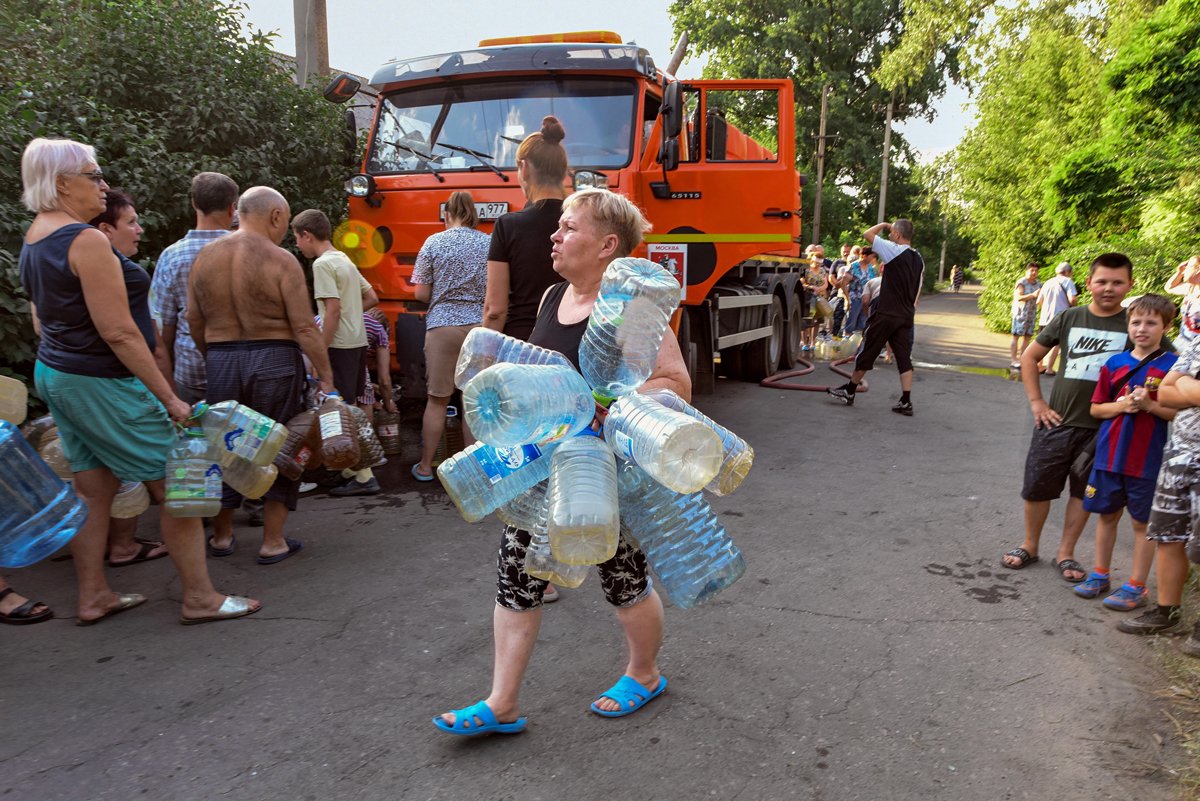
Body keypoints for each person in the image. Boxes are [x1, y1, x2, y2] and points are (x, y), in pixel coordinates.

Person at [433, 188, 690, 736]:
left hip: (603, 472)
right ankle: (502, 702)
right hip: (539, 466)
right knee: (516, 576)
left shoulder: (631, 307)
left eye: (570, 227)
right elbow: (539, 372)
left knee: (623, 581)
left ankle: (643, 673)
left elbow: (676, 384)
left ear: (607, 245)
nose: (555, 234)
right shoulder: (553, 296)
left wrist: (609, 405)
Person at [18, 137, 257, 624]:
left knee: (93, 489)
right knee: (180, 485)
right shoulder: (84, 240)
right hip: (99, 379)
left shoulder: (35, 236)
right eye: (93, 175)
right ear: (62, 183)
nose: (103, 186)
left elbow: (42, 319)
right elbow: (121, 331)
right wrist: (168, 397)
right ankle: (200, 599)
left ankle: (94, 596)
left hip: (58, 373)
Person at [188, 187, 336, 564]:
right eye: (285, 222)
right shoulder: (281, 259)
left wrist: (215, 356)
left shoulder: (205, 257)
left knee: (224, 446)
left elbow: (193, 319)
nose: (285, 230)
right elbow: (304, 328)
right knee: (282, 447)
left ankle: (222, 537)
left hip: (222, 356)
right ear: (274, 216)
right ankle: (273, 541)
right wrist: (325, 374)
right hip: (274, 357)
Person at [1001, 252, 1135, 582]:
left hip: (1103, 429)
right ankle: (1029, 545)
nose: (1108, 288)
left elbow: (1171, 363)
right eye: (1102, 281)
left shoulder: (1134, 324)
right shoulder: (1070, 317)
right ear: (1087, 283)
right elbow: (1031, 358)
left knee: (1081, 492)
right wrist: (1037, 402)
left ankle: (1066, 553)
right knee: (1037, 488)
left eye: (1117, 283)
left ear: (1129, 286)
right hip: (1055, 422)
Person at [1073, 295, 1177, 610]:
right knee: (1106, 515)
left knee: (1142, 524)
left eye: (1151, 322)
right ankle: (1100, 574)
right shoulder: (1114, 364)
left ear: (1165, 326)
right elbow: (1096, 409)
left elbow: (1176, 414)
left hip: (1146, 459)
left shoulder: (1173, 366)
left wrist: (1149, 406)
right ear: (1127, 325)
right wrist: (1123, 406)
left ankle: (1136, 586)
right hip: (1109, 456)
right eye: (1136, 322)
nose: (1142, 329)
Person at [87, 188, 170, 568]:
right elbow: (130, 336)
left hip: (78, 378)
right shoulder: (117, 269)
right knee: (171, 480)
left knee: (97, 481)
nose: (139, 230)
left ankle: (100, 579)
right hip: (121, 381)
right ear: (105, 228)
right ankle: (199, 592)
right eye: (131, 222)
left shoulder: (58, 256)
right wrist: (168, 395)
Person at [1117, 335, 1200, 656]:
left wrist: (1186, 389)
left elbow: (1176, 389)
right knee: (1168, 534)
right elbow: (1164, 391)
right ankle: (1168, 613)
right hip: (1179, 452)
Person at [292, 208, 380, 496]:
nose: (297, 245)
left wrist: (320, 351)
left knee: (336, 412)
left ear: (307, 235)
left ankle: (364, 477)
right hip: (356, 343)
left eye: (297, 238)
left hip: (338, 345)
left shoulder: (322, 265)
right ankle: (347, 469)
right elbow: (371, 297)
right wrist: (352, 318)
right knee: (347, 410)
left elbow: (331, 310)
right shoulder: (344, 259)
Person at [410, 190, 488, 482]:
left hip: (442, 327)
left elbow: (421, 292)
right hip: (479, 329)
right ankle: (474, 470)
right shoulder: (489, 243)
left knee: (437, 400)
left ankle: (426, 466)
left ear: (447, 215)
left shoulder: (434, 242)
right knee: (474, 401)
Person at [151, 172, 239, 405]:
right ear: (232, 208)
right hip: (240, 370)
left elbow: (163, 327)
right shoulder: (249, 253)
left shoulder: (171, 256)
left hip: (191, 371)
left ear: (193, 203)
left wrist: (167, 382)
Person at [482, 115, 569, 341]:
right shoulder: (585, 222)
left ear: (524, 168)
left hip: (521, 343)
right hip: (572, 341)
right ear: (563, 171)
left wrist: (483, 360)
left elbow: (495, 310)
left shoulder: (508, 225)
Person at [826, 219, 925, 415]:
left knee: (868, 350)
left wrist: (884, 225)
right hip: (906, 315)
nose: (889, 236)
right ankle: (906, 401)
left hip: (887, 313)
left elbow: (868, 234)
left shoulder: (894, 249)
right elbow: (918, 288)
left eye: (891, 233)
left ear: (897, 235)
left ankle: (850, 390)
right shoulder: (918, 259)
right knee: (904, 357)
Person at [1036, 262, 1078, 374]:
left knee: (1042, 342)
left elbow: (1039, 301)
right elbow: (1072, 299)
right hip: (1060, 318)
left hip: (1044, 317)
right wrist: (1075, 308)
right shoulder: (1068, 281)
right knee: (1056, 343)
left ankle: (1039, 365)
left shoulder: (1048, 282)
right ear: (1068, 272)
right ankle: (1049, 368)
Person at [1010, 263, 1042, 369]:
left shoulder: (1038, 283)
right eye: (1031, 270)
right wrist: (1032, 295)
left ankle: (1022, 359)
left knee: (1027, 337)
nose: (1034, 273)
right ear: (1026, 271)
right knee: (1016, 336)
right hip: (1020, 314)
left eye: (1036, 271)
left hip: (1031, 314)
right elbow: (1019, 297)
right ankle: (1014, 360)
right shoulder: (1021, 282)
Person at [1164, 255, 1200, 343]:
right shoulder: (1191, 288)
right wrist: (1179, 273)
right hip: (1183, 340)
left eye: (1189, 266)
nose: (1185, 270)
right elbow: (1170, 287)